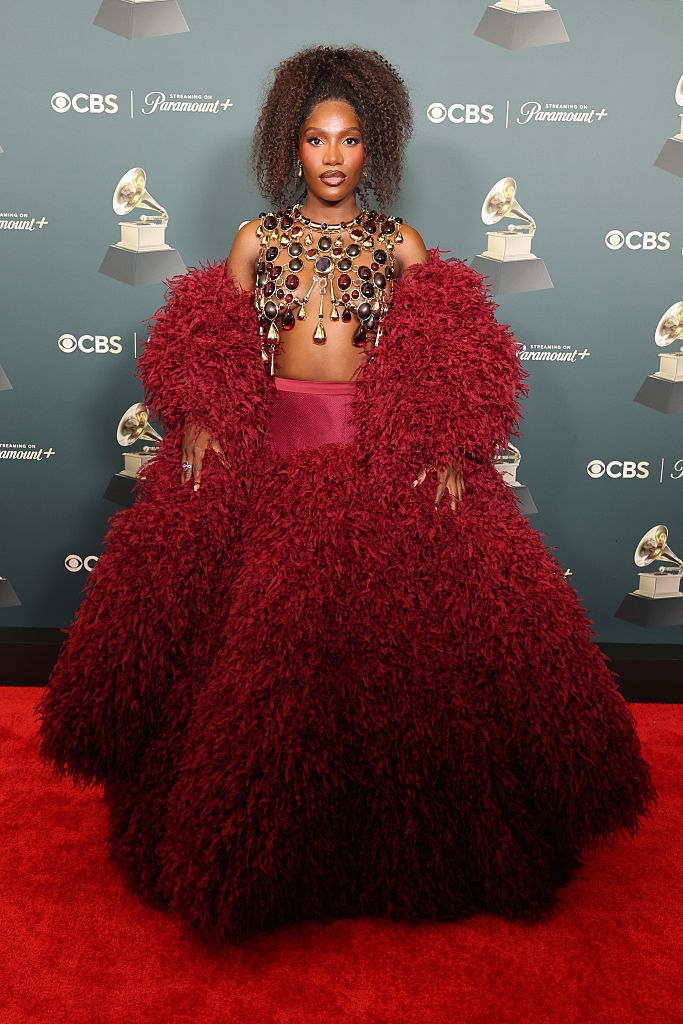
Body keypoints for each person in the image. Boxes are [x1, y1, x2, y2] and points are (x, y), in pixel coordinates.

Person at [38, 46, 655, 943]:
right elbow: (208, 340)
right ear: (291, 147)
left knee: (403, 664)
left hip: (378, 465)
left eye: (351, 139)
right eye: (317, 139)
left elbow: (449, 348)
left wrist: (446, 429)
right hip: (272, 466)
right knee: (261, 660)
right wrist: (204, 406)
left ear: (376, 149)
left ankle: (401, 847)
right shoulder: (258, 239)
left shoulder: (398, 244)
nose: (333, 156)